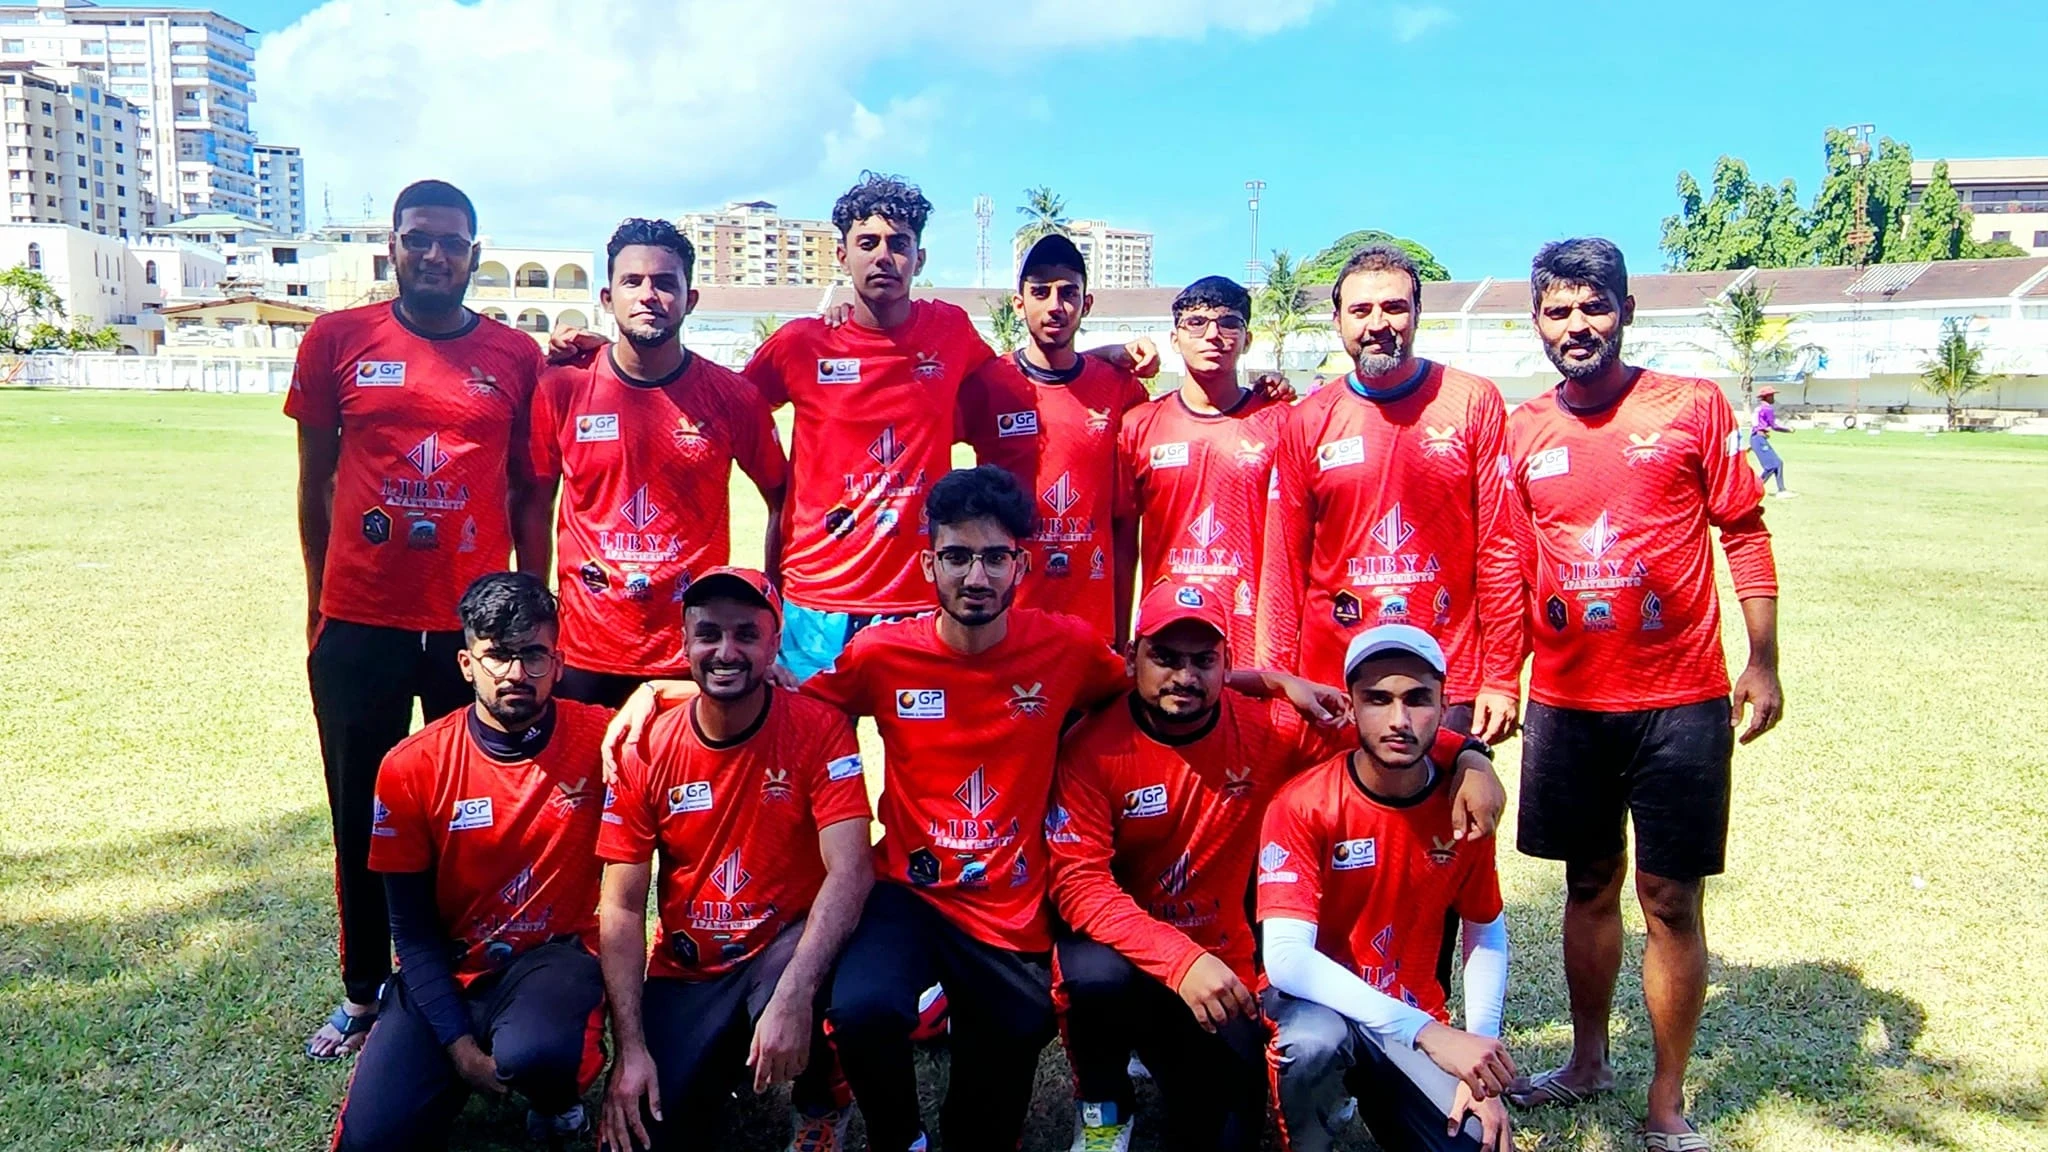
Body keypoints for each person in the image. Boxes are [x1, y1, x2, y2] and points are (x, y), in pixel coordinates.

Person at [603, 465, 1342, 1152]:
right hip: (908, 892)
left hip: (1011, 905)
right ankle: (899, 1137)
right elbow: (786, 703)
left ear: (1021, 566)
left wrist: (1267, 680)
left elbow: (1158, 676)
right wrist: (668, 688)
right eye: (957, 557)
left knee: (1010, 1053)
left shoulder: (1067, 648)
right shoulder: (883, 655)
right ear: (930, 567)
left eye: (994, 557)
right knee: (862, 1011)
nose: (976, 575)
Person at [1047, 582, 1502, 1152]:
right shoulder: (1093, 746)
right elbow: (1078, 883)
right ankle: (1104, 1103)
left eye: (1203, 661)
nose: (1183, 677)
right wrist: (1179, 961)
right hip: (1132, 954)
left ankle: (1180, 1062)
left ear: (1228, 663)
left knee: (1224, 1132)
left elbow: (1384, 732)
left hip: (1227, 968)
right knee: (1092, 976)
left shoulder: (1268, 728)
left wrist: (1471, 758)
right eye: (1164, 658)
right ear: (1133, 657)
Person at [1502, 238, 1783, 1152]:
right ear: (1537, 320)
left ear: (1625, 309)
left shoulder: (1692, 406)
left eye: (1594, 307)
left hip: (1682, 701)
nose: (1577, 326)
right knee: (1588, 886)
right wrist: (1502, 677)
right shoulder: (1522, 428)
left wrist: (1764, 659)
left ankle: (1667, 1101)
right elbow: (1506, 562)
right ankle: (1587, 1061)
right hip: (1570, 705)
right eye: (1558, 311)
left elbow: (1741, 528)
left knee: (1670, 898)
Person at [289, 179, 550, 1059]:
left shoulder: (516, 356)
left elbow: (529, 491)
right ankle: (364, 991)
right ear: (391, 248)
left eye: (452, 242)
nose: (434, 254)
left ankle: (465, 977)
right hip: (360, 622)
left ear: (475, 254)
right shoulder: (337, 340)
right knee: (361, 811)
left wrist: (529, 616)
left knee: (473, 807)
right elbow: (314, 482)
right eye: (417, 238)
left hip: (472, 633)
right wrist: (320, 602)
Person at [595, 568, 872, 1152]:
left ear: (776, 645)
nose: (726, 651)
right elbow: (619, 907)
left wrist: (795, 995)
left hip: (784, 948)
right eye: (709, 634)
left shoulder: (819, 728)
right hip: (691, 965)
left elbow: (851, 869)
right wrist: (632, 1050)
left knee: (835, 975)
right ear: (684, 643)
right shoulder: (647, 744)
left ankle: (823, 1095)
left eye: (746, 634)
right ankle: (717, 1065)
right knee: (651, 1134)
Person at [333, 572, 608, 1150]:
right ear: (465, 664)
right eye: (497, 656)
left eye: (533, 656)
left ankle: (557, 1103)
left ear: (558, 663)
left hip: (552, 961)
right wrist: (458, 1047)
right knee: (372, 1141)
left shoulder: (601, 738)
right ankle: (433, 1049)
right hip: (450, 967)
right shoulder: (412, 766)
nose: (515, 675)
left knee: (537, 1052)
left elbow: (695, 717)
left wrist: (659, 692)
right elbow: (408, 930)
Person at [1258, 625, 1515, 1152]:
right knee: (1312, 1045)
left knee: (1479, 1144)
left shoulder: (1465, 802)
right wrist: (1429, 1033)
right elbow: (1286, 960)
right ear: (1350, 705)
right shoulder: (1303, 803)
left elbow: (1484, 930)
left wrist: (1480, 1057)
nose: (1399, 720)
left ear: (1445, 707)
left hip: (1409, 1019)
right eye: (1378, 699)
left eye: (1418, 699)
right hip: (1321, 1005)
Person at [1257, 243, 1522, 744]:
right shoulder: (1309, 419)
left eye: (1394, 307)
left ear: (1418, 313)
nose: (1378, 323)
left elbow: (1500, 548)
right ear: (1338, 321)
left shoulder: (1472, 401)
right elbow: (1283, 564)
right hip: (1333, 686)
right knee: (1338, 822)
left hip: (1443, 680)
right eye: (1360, 310)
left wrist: (1501, 677)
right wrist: (1278, 681)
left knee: (1440, 823)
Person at [529, 218, 787, 708]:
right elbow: (533, 504)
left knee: (687, 788)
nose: (649, 295)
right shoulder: (562, 386)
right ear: (607, 299)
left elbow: (782, 499)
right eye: (633, 282)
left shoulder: (734, 397)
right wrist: (538, 610)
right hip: (585, 650)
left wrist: (772, 606)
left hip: (691, 655)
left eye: (665, 283)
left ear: (690, 299)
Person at [955, 233, 1151, 645]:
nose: (1055, 306)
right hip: (1005, 621)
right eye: (1040, 292)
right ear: (1019, 302)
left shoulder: (1120, 390)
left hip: (1091, 626)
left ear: (1086, 303)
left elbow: (1125, 525)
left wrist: (1119, 634)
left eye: (1068, 293)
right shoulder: (989, 384)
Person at [1119, 276, 1292, 658]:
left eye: (1229, 322)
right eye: (1196, 322)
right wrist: (1120, 639)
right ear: (1175, 339)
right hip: (1170, 634)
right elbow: (1123, 543)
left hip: (1251, 639)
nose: (1213, 334)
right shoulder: (1139, 424)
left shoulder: (1281, 421)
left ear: (1247, 339)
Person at [1749, 385, 1793, 497]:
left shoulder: (1758, 408)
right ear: (1767, 397)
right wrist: (1788, 430)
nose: (1773, 397)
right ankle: (1754, 490)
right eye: (1771, 395)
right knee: (1771, 466)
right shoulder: (1767, 409)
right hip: (1759, 439)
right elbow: (1774, 426)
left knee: (1778, 463)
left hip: (1756, 438)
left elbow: (1756, 425)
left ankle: (1781, 490)